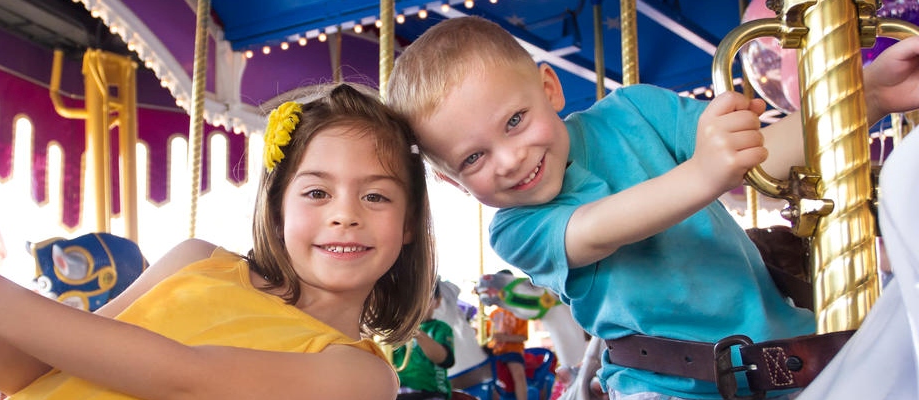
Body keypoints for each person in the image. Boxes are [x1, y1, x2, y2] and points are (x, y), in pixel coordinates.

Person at [386, 15, 919, 399]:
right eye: (474, 158)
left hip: (787, 356)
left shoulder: (636, 110)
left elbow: (758, 158)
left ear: (549, 88)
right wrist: (705, 171)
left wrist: (866, 96)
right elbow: (604, 227)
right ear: (452, 182)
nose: (508, 159)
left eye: (515, 121)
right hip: (665, 389)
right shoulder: (517, 227)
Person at [0, 83, 437, 399]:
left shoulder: (360, 378)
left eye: (376, 197)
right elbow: (40, 367)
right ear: (278, 208)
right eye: (318, 192)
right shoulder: (195, 261)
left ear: (410, 224)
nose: (344, 215)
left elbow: (186, 380)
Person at [395, 279, 456, 400]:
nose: (416, 305)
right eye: (410, 299)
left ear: (437, 302)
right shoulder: (395, 330)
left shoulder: (439, 328)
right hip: (398, 392)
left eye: (424, 299)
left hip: (430, 392)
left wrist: (417, 333)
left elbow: (444, 359)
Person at [486, 292, 529, 400]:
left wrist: (505, 338)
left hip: (512, 351)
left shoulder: (519, 313)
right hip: (494, 351)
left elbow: (523, 337)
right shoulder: (493, 314)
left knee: (518, 374)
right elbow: (486, 336)